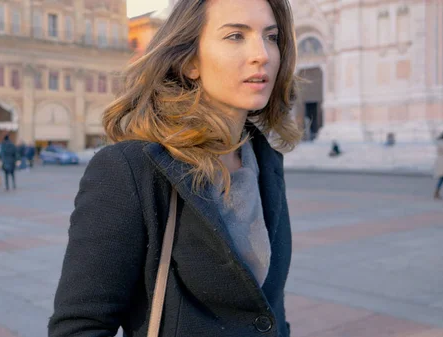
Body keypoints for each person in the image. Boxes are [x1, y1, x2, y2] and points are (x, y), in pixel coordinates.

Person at [48, 0, 301, 336]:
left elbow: (267, 307)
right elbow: (80, 327)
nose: (263, 54)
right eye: (236, 36)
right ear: (190, 61)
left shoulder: (265, 160)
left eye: (271, 37)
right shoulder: (130, 169)